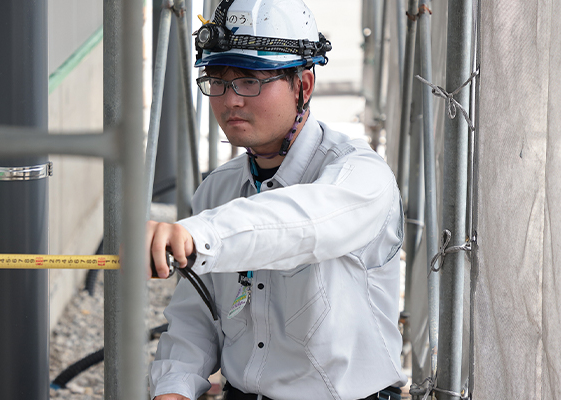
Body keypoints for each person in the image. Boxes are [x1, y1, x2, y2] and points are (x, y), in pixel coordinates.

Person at [147, 1, 407, 399]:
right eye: (217, 79)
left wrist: (198, 235)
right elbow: (196, 317)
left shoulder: (361, 177)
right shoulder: (217, 190)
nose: (230, 100)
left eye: (249, 80)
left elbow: (302, 225)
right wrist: (174, 388)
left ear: (303, 85)